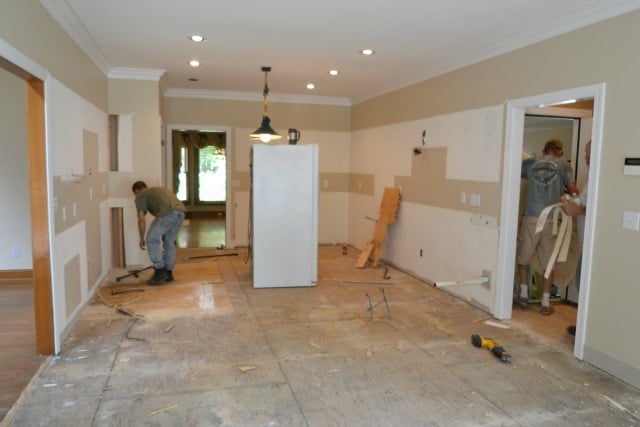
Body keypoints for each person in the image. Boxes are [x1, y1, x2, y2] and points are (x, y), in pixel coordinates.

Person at [516, 139, 579, 315]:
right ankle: (545, 302)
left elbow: (515, 176)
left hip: (531, 218)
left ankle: (523, 294)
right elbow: (572, 190)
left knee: (523, 257)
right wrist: (575, 202)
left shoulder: (530, 163)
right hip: (551, 220)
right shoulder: (564, 166)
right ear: (559, 151)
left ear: (544, 150)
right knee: (549, 262)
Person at [132, 181, 185, 285]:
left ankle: (159, 270)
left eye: (135, 194)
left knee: (151, 239)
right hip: (180, 212)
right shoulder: (157, 190)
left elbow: (141, 219)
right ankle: (168, 272)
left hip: (168, 214)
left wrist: (142, 238)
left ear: (137, 191)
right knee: (169, 242)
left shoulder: (140, 196)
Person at [563, 140, 591, 334]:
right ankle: (583, 326)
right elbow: (582, 201)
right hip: (584, 244)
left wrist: (573, 208)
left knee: (585, 286)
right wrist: (570, 201)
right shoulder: (593, 177)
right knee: (581, 285)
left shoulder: (600, 177)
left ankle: (585, 331)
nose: (586, 157)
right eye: (585, 153)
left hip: (591, 246)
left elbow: (587, 207)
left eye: (590, 153)